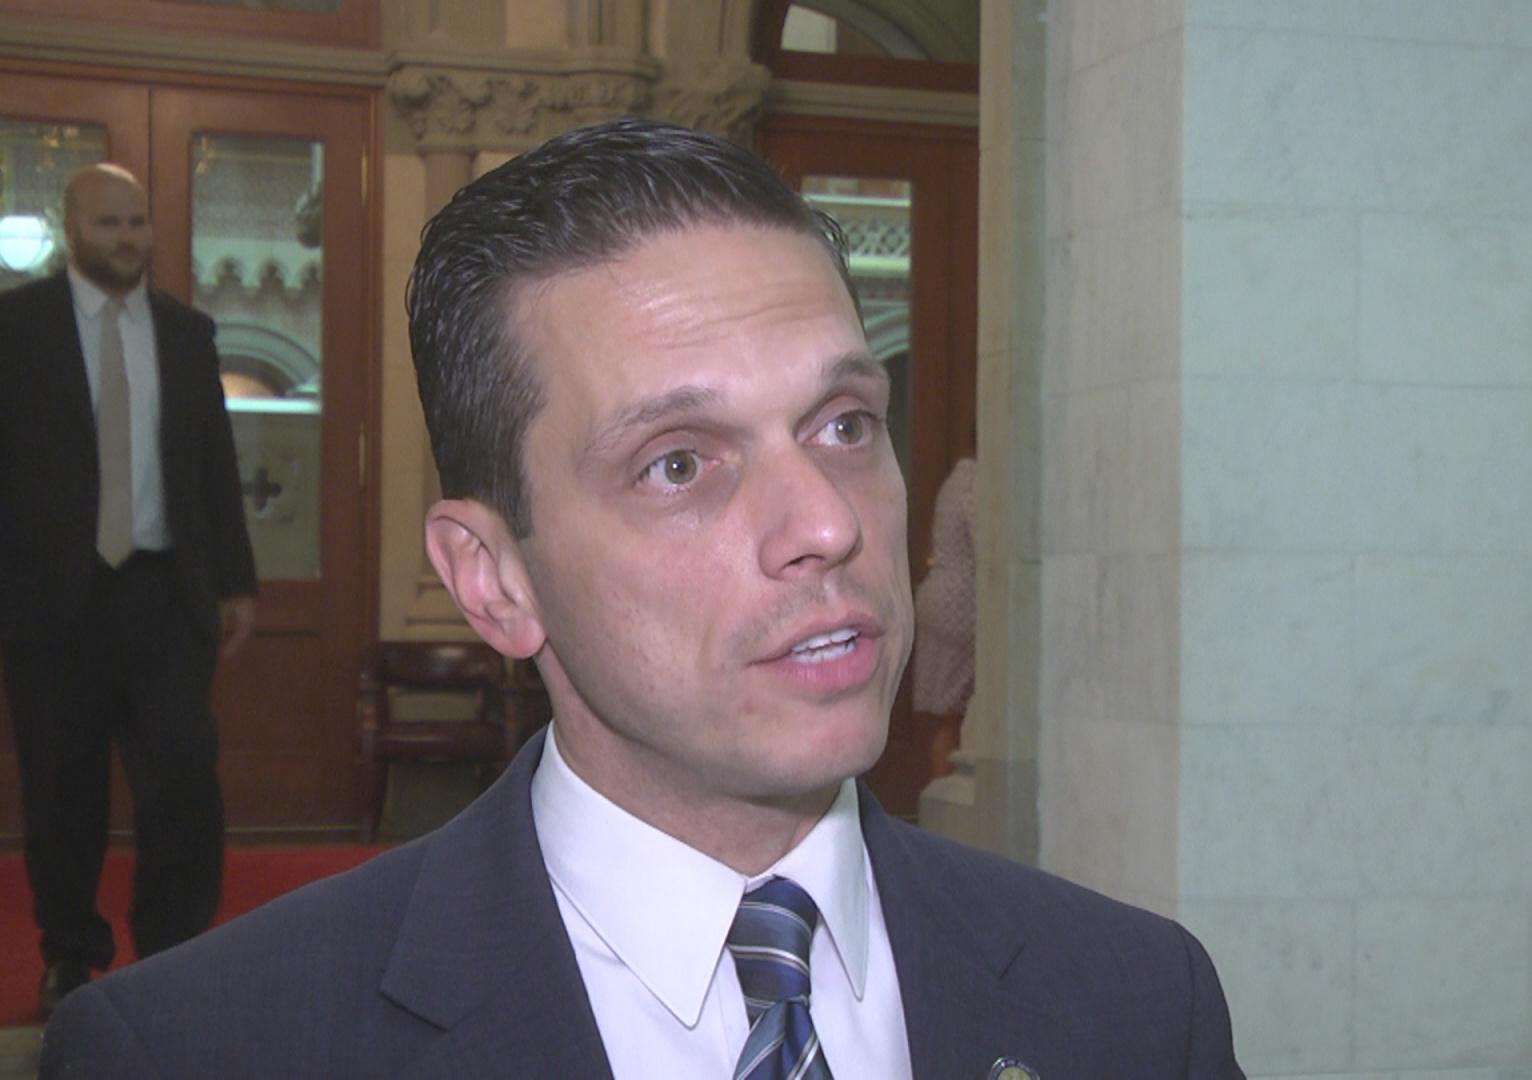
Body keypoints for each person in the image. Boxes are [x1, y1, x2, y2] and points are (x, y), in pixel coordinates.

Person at [40, 119, 1240, 1078]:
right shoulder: (203, 1050)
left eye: (843, 424)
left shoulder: (1138, 1004)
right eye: (678, 464)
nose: (828, 524)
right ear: (495, 580)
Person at [0, 163, 257, 1017]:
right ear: (71, 227)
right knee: (61, 789)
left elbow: (213, 462)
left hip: (163, 594)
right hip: (52, 602)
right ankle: (70, 955)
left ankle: (173, 950)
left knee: (183, 777)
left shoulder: (186, 333)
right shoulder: (17, 329)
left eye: (137, 222)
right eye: (109, 223)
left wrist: (236, 580)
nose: (126, 238)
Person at [913, 456, 976, 778]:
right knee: (957, 716)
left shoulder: (954, 482)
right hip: (962, 607)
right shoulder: (976, 484)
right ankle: (948, 792)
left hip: (937, 599)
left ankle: (942, 789)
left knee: (945, 717)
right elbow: (988, 544)